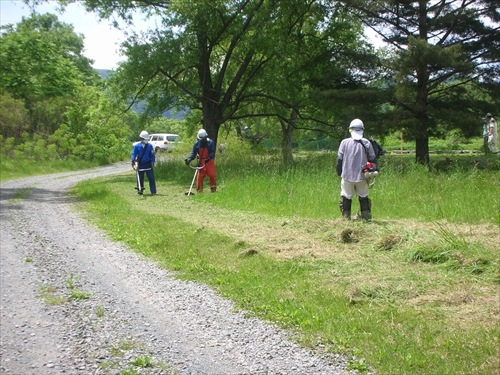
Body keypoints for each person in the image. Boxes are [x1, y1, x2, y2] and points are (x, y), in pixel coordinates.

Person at [336, 119, 376, 221]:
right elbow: (372, 159)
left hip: (346, 176)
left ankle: (346, 218)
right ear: (362, 130)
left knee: (346, 196)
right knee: (363, 196)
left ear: (350, 130)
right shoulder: (367, 143)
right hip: (363, 176)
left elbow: (339, 160)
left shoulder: (344, 143)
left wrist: (339, 172)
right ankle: (366, 218)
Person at [131, 130, 156, 195]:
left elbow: (152, 155)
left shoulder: (150, 146)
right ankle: (140, 191)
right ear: (141, 139)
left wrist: (153, 162)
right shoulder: (137, 146)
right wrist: (133, 160)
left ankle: (153, 191)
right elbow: (133, 154)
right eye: (145, 139)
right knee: (140, 178)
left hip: (148, 164)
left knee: (151, 178)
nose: (146, 141)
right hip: (140, 165)